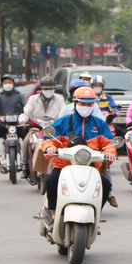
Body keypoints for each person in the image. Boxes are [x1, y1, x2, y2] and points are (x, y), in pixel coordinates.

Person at [41, 87, 117, 228]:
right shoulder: (63, 121)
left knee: (105, 185)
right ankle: (53, 215)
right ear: (75, 103)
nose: (86, 107)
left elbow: (109, 143)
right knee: (52, 181)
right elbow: (49, 139)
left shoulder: (100, 124)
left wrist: (110, 152)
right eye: (83, 103)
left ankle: (95, 215)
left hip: (91, 167)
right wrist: (50, 147)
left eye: (90, 104)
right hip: (64, 166)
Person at [20, 76, 64, 180]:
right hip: (37, 128)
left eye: (50, 88)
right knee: (27, 141)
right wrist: (23, 119)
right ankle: (24, 165)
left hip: (54, 129)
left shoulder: (60, 99)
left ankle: (62, 165)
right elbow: (26, 113)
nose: (48, 91)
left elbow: (64, 114)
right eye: (45, 89)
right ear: (41, 89)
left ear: (54, 89)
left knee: (63, 143)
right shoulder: (33, 99)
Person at [0, 74, 28, 169]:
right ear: (2, 84)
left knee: (28, 138)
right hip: (4, 125)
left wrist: (27, 115)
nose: (7, 84)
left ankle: (27, 160)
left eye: (9, 82)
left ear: (13, 83)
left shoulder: (19, 95)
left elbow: (27, 106)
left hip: (17, 125)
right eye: (5, 82)